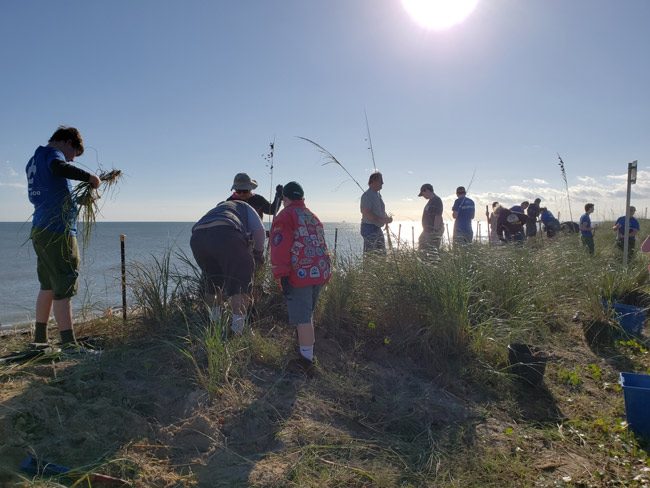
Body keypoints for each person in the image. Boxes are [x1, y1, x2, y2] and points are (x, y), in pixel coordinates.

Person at [25, 126, 101, 349]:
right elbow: (59, 168)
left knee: (47, 285)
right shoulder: (52, 155)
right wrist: (90, 177)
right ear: (67, 142)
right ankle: (69, 345)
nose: (71, 160)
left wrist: (78, 202)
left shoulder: (34, 160)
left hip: (40, 228)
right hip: (58, 230)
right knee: (64, 286)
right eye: (73, 154)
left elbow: (52, 191)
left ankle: (40, 340)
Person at [270, 182, 332, 375]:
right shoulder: (312, 216)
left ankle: (306, 361)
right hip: (320, 271)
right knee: (307, 314)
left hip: (300, 273)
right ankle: (305, 349)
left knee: (303, 318)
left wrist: (281, 274)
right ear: (302, 198)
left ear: (285, 199)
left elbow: (279, 247)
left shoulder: (285, 216)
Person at [190, 199, 266, 335]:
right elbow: (259, 231)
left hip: (198, 238)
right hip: (227, 233)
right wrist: (259, 254)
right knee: (241, 285)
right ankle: (238, 330)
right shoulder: (245, 207)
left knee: (212, 282)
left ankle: (215, 324)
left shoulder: (217, 210)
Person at [360, 172, 392, 254]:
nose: (382, 183)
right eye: (381, 181)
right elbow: (367, 213)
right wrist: (383, 220)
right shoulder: (367, 195)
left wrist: (386, 218)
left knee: (381, 255)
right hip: (370, 228)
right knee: (371, 256)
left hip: (377, 228)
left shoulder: (378, 195)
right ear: (374, 181)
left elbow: (379, 210)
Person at [417, 183, 444, 255]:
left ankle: (432, 264)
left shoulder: (436, 200)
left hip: (432, 231)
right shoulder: (431, 201)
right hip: (427, 230)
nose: (423, 196)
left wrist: (435, 232)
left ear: (427, 190)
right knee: (422, 245)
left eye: (423, 194)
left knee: (432, 251)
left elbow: (438, 216)